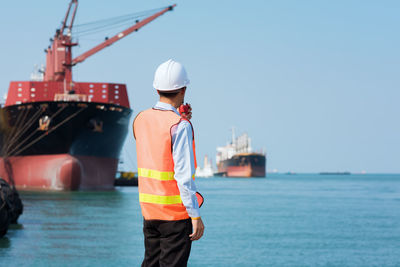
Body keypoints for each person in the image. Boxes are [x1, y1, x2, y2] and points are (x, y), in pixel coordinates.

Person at [133, 59, 205, 267]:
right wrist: (195, 216)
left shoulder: (140, 119)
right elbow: (183, 176)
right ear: (183, 89)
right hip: (174, 215)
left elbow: (156, 147)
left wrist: (179, 117)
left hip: (150, 211)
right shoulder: (180, 126)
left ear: (156, 88)